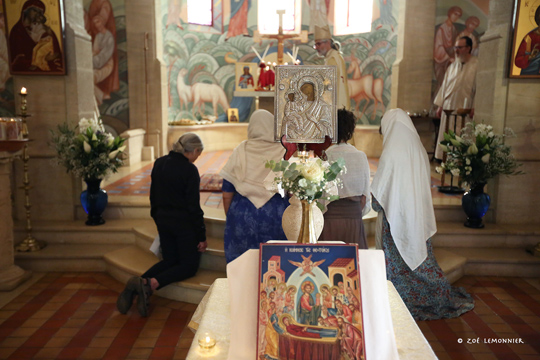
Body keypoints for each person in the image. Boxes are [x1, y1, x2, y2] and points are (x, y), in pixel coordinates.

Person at [371, 108, 474, 321]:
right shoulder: (416, 145)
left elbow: (380, 193)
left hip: (395, 218)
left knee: (399, 257)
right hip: (415, 215)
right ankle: (431, 291)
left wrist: (374, 201)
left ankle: (398, 297)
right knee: (417, 255)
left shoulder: (392, 150)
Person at [116, 133, 208, 317]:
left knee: (170, 260)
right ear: (194, 150)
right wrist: (201, 236)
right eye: (199, 153)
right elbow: (193, 207)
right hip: (183, 225)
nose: (198, 157)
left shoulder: (159, 163)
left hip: (162, 220)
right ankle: (149, 284)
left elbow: (153, 196)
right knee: (189, 265)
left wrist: (157, 218)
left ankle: (137, 283)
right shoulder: (189, 170)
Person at [220, 109, 289, 263]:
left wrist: (232, 217)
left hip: (243, 214)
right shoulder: (283, 151)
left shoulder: (241, 150)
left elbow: (227, 192)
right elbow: (291, 190)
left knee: (242, 264)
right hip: (276, 214)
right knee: (275, 263)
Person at [319, 109, 371, 247]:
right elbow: (365, 197)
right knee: (351, 263)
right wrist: (355, 214)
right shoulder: (361, 157)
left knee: (329, 263)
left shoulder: (325, 156)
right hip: (353, 219)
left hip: (329, 220)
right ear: (351, 130)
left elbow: (320, 196)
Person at [433, 36, 478, 161]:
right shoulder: (452, 66)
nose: (456, 50)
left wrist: (475, 105)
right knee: (447, 132)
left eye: (459, 47)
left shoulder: (476, 65)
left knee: (463, 134)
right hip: (448, 107)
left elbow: (479, 88)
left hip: (465, 107)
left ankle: (461, 162)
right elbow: (444, 86)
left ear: (468, 48)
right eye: (455, 47)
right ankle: (446, 160)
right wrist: (440, 105)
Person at [8, 0, 63, 73]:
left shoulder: (47, 30)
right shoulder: (17, 31)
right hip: (26, 74)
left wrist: (51, 58)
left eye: (40, 12)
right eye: (35, 10)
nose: (38, 14)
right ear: (25, 10)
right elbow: (15, 58)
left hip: (48, 71)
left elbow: (57, 54)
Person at [86, 0, 119, 104]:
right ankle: (100, 95)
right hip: (96, 63)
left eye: (98, 21)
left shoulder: (109, 37)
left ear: (102, 21)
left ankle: (100, 97)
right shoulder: (99, 36)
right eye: (94, 23)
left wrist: (91, 62)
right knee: (86, 77)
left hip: (106, 65)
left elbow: (103, 57)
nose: (96, 25)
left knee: (88, 78)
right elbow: (94, 51)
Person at [314, 25, 350, 110]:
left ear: (328, 43)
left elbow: (329, 82)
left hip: (336, 104)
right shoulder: (332, 56)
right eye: (315, 45)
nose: (317, 47)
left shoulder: (332, 58)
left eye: (319, 44)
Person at [433, 6, 462, 96]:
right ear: (450, 13)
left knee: (449, 84)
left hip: (450, 61)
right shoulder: (442, 28)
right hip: (441, 61)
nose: (456, 17)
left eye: (458, 15)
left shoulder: (453, 29)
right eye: (455, 14)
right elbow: (438, 47)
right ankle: (436, 106)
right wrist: (448, 57)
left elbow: (455, 46)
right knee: (442, 83)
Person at [514, 6, 540, 76]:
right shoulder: (529, 37)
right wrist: (530, 57)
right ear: (538, 17)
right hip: (531, 73)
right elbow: (518, 60)